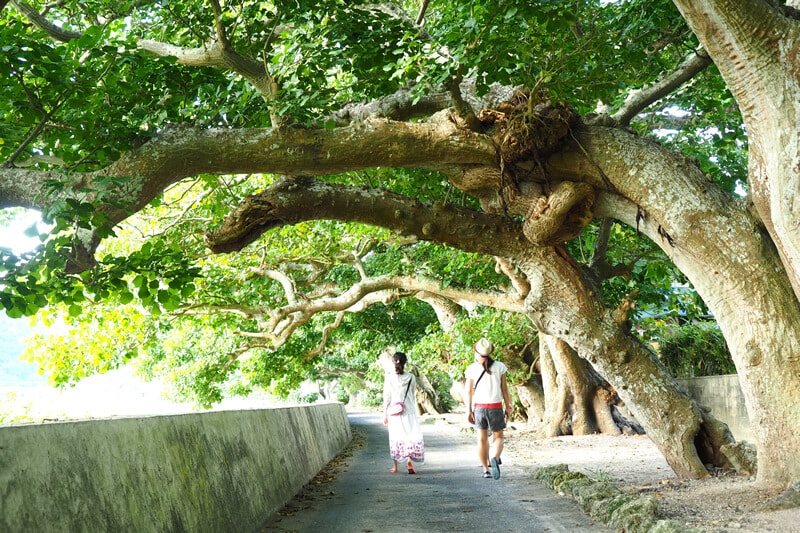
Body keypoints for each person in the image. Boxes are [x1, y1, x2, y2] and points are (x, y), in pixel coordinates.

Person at [465, 337, 512, 479]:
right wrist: (509, 405)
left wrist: (468, 410)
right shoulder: (500, 367)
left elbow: (468, 391)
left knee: (481, 439)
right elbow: (504, 389)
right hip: (496, 407)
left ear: (477, 352)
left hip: (479, 408)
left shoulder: (472, 368)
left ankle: (485, 470)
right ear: (490, 351)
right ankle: (495, 457)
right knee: (498, 437)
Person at [382, 351, 425, 474]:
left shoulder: (389, 377)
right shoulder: (411, 377)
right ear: (405, 362)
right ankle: (409, 461)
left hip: (394, 412)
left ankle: (395, 467)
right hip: (409, 411)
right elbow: (412, 394)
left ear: (393, 362)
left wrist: (385, 414)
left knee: (395, 437)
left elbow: (387, 397)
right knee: (409, 436)